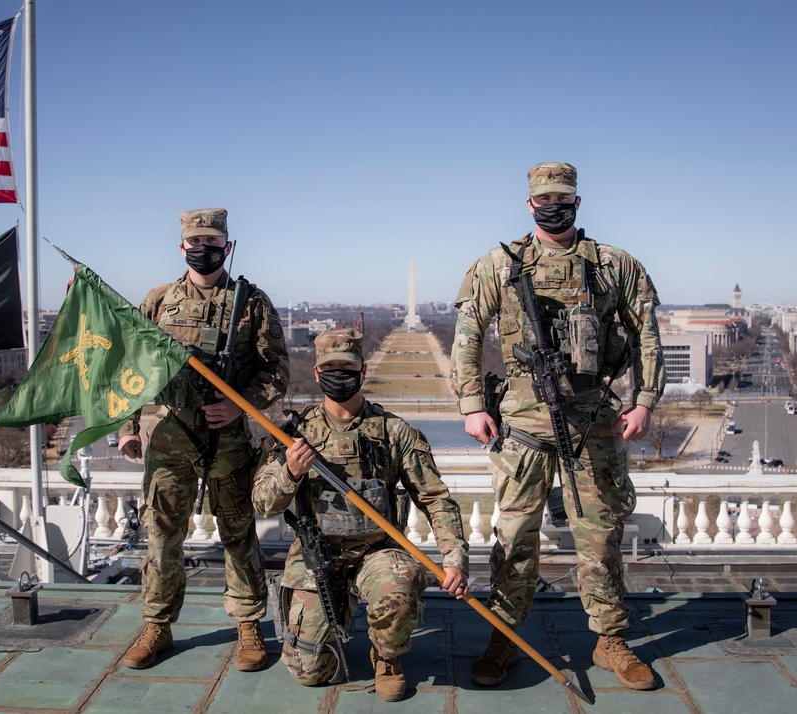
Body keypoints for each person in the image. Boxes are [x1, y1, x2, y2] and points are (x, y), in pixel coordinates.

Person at [451, 162, 666, 691]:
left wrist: (644, 401)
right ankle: (505, 637)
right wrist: (472, 404)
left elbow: (647, 338)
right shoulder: (497, 266)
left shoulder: (617, 266)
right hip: (523, 424)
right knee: (516, 535)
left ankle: (611, 637)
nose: (553, 206)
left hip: (592, 417)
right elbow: (468, 335)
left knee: (600, 535)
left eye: (563, 197)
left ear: (577, 201)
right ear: (529, 204)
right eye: (544, 198)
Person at [253, 328, 468, 702]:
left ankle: (386, 656)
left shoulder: (395, 432)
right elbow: (262, 504)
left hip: (377, 552)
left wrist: (454, 558)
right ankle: (335, 613)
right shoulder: (294, 434)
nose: (339, 374)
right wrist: (289, 472)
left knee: (398, 589)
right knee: (310, 673)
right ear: (318, 374)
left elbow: (435, 498)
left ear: (363, 371)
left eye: (347, 367)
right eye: (330, 368)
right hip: (319, 553)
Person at [117, 208, 290, 672]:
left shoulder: (251, 302)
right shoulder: (158, 300)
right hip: (167, 439)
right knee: (162, 537)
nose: (204, 249)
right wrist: (128, 427)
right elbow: (131, 368)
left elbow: (278, 371)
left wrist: (242, 404)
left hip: (226, 440)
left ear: (227, 247)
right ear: (181, 247)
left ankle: (249, 624)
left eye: (213, 242)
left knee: (237, 535)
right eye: (195, 242)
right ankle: (157, 624)